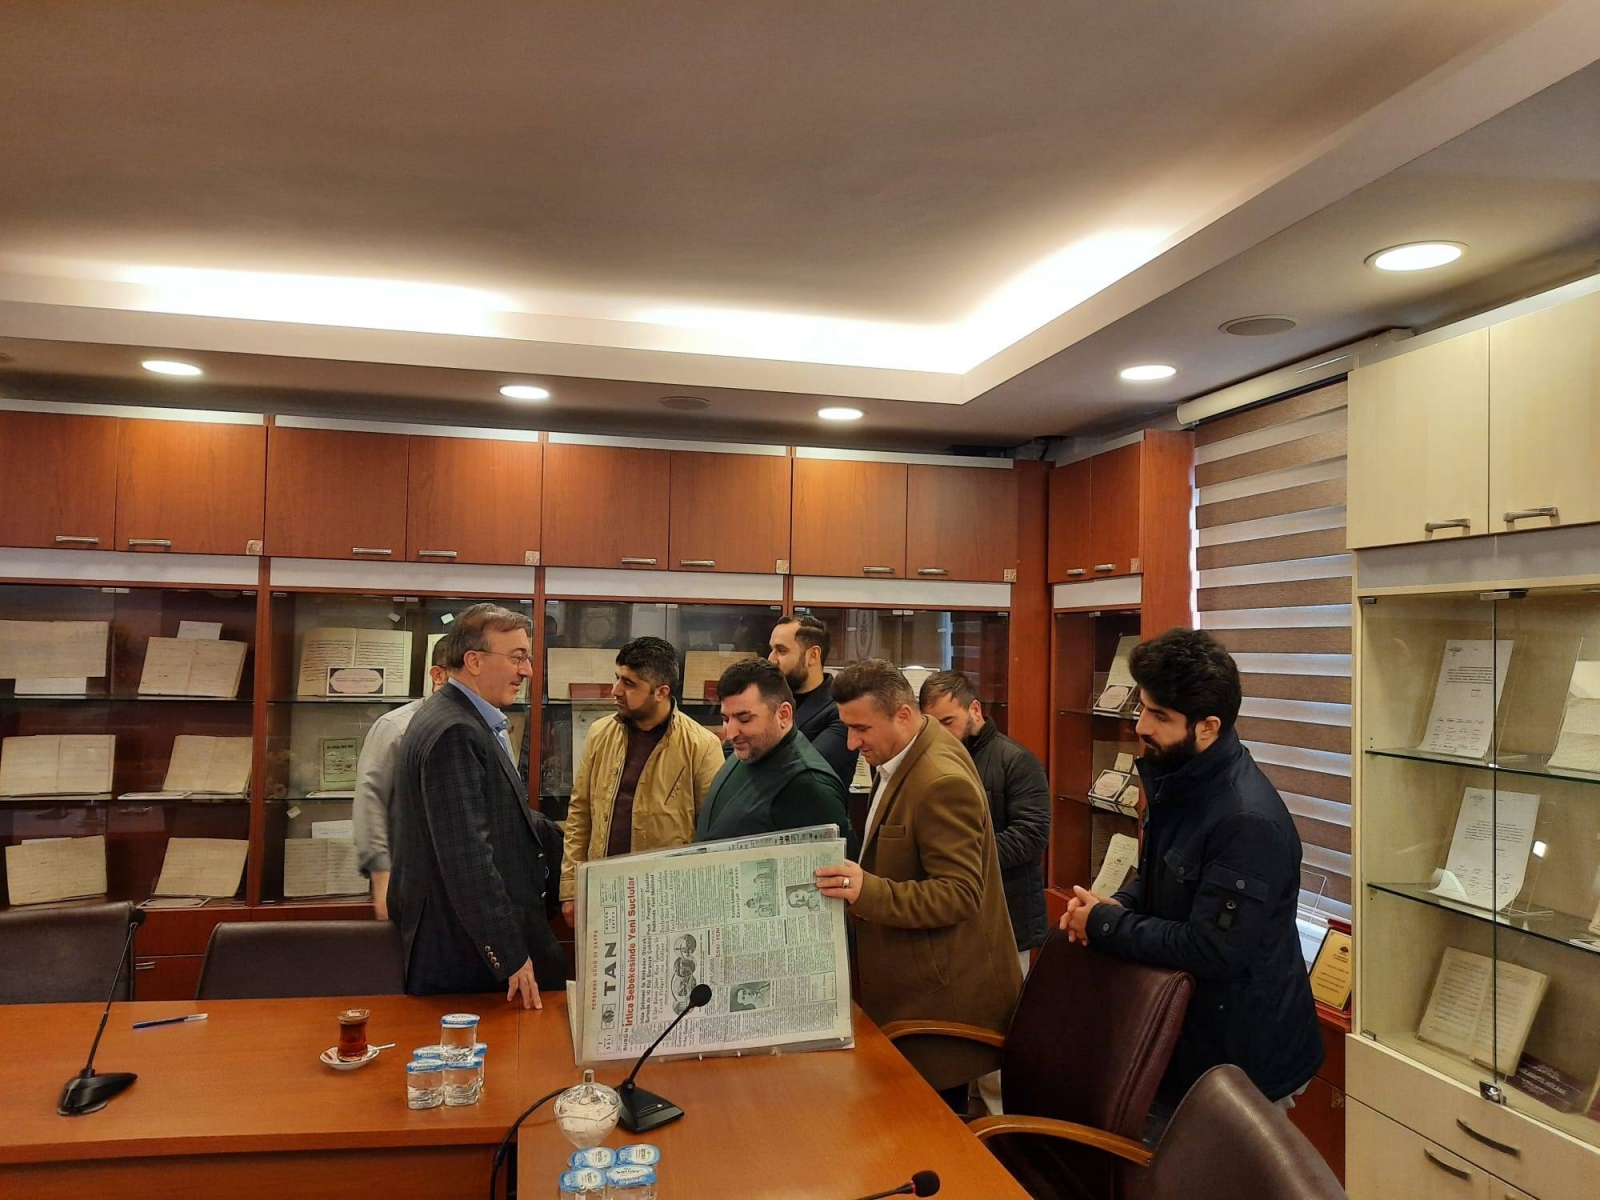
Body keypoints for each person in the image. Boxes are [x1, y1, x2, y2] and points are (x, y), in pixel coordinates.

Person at [1059, 628, 1323, 1119]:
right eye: (1143, 708)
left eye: (1160, 716)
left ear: (1208, 727)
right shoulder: (1182, 778)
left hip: (1239, 1062)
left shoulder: (1245, 820)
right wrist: (1120, 904)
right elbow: (1165, 877)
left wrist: (1105, 924)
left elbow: (1213, 948)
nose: (1141, 726)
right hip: (1184, 1037)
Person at [814, 659, 1022, 1109]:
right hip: (910, 993)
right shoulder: (904, 751)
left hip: (937, 1010)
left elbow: (960, 895)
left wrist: (866, 890)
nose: (851, 743)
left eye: (861, 729)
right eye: (847, 728)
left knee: (930, 1131)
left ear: (904, 715)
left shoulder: (939, 780)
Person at [387, 604, 564, 1008]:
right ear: (474, 661)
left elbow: (491, 816)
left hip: (467, 944)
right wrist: (509, 954)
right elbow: (467, 859)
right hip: (468, 958)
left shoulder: (454, 715)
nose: (527, 671)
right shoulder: (454, 731)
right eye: (517, 657)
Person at [919, 669, 1049, 1115]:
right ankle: (976, 1124)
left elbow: (1032, 836)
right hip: (961, 918)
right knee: (966, 1035)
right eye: (932, 725)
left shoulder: (1017, 760)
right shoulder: (935, 760)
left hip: (1010, 919)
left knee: (1001, 1034)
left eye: (949, 722)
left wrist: (961, 855)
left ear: (975, 710)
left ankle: (1004, 1132)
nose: (942, 733)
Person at [560, 636, 724, 922]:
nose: (615, 690)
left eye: (629, 683)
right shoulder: (600, 733)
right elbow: (580, 813)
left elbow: (712, 833)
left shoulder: (701, 745)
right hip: (602, 889)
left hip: (666, 898)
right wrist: (571, 888)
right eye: (617, 678)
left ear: (661, 692)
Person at [695, 658, 855, 854]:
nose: (731, 734)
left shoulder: (811, 787)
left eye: (744, 719)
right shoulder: (750, 751)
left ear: (783, 715)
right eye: (726, 719)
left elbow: (836, 867)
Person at [352, 637, 451, 920]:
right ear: (438, 675)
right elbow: (371, 799)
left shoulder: (493, 727)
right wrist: (381, 875)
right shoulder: (396, 726)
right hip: (411, 881)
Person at [767, 613, 857, 785]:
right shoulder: (770, 700)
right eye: (772, 650)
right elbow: (731, 753)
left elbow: (803, 769)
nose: (771, 659)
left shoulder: (842, 710)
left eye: (781, 650)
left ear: (813, 655)